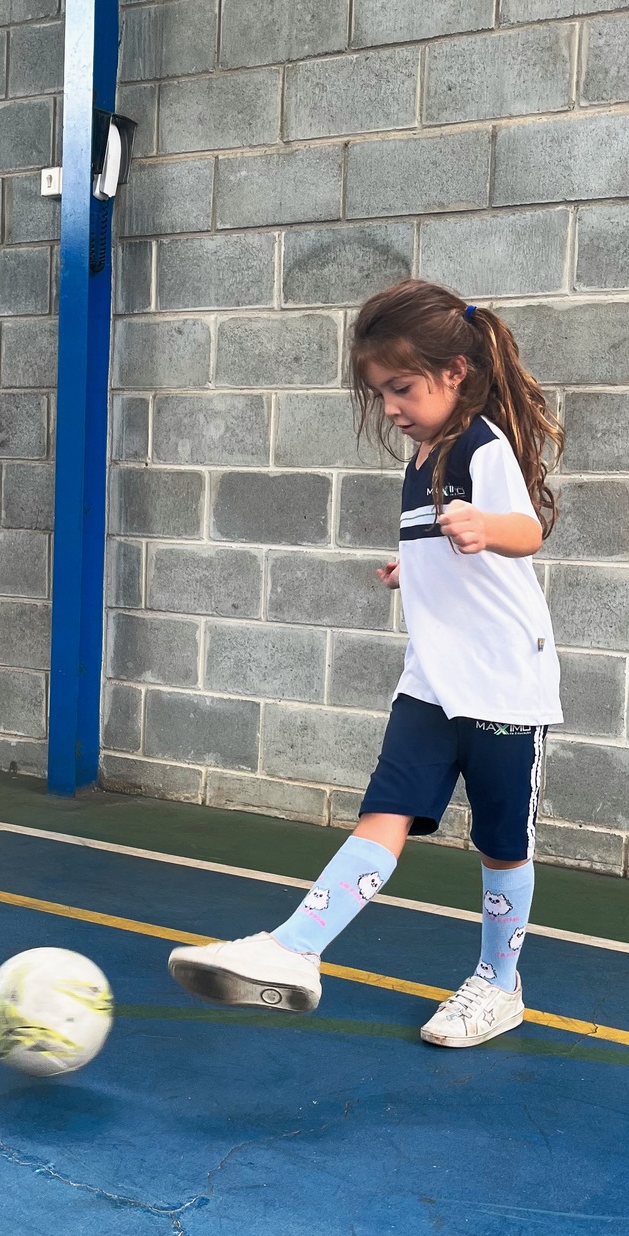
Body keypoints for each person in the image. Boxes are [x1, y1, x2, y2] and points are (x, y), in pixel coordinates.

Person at [168, 279, 564, 1047]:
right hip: (431, 682)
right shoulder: (422, 457)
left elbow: (526, 532)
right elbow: (444, 552)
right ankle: (295, 949)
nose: (389, 406)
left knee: (501, 844)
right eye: (380, 392)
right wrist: (410, 567)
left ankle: (499, 984)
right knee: (382, 815)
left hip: (505, 686)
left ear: (454, 372)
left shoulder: (481, 446)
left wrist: (485, 526)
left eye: (402, 388)